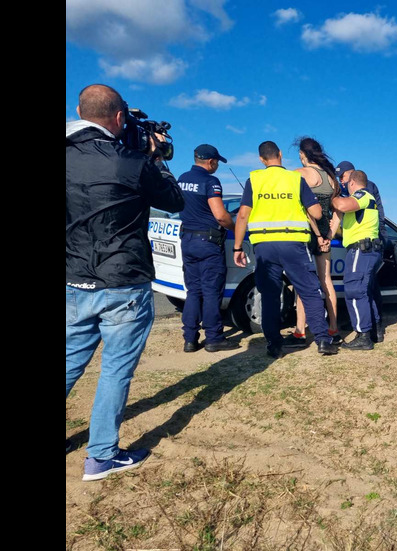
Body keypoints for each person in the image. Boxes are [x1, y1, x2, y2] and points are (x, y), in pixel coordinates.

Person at [66, 84, 185, 481]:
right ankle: (101, 456)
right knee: (116, 369)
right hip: (124, 281)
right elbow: (174, 200)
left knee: (68, 362)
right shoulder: (132, 161)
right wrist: (154, 155)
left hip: (74, 278)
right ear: (119, 119)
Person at [232, 141, 340, 357]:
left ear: (262, 159)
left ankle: (274, 345)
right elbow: (317, 213)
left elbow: (243, 214)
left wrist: (237, 247)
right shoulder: (295, 179)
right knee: (309, 292)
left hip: (264, 247)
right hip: (294, 245)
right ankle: (323, 341)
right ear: (280, 155)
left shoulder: (254, 179)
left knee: (270, 295)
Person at [176, 144, 240, 353]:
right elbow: (221, 215)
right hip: (209, 243)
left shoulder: (182, 178)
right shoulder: (210, 182)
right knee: (212, 291)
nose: (217, 167)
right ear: (211, 162)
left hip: (188, 240)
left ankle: (190, 339)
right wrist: (236, 227)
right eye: (217, 163)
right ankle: (213, 338)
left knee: (193, 291)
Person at [284, 137, 342, 348]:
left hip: (306, 233)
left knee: (303, 284)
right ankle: (333, 327)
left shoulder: (299, 174)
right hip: (326, 234)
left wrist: (317, 234)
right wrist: (329, 236)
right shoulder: (331, 178)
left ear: (302, 154)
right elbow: (338, 212)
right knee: (326, 281)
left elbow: (304, 210)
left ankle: (300, 331)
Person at [335, 160, 386, 342]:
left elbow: (345, 206)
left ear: (352, 176)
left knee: (359, 289)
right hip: (365, 246)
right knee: (364, 289)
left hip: (366, 246)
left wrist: (331, 197)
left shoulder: (365, 190)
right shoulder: (355, 191)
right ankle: (368, 327)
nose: (341, 181)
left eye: (342, 177)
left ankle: (369, 331)